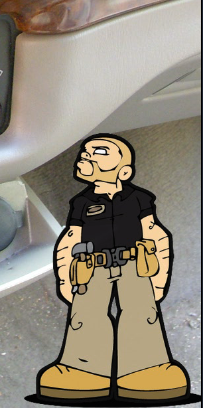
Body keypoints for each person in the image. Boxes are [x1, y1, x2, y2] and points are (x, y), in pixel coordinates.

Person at [36, 134, 189, 402]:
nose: (87, 155)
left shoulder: (139, 198)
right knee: (86, 315)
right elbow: (71, 238)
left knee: (142, 313)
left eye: (100, 152)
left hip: (136, 264)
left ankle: (145, 368)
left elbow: (154, 232)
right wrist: (65, 276)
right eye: (86, 151)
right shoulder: (81, 203)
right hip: (91, 267)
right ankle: (83, 370)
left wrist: (160, 273)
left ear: (125, 171)